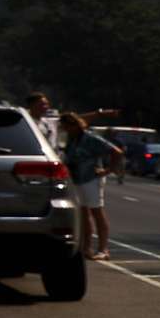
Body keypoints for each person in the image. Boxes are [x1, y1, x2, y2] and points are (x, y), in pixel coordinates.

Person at [58, 111, 124, 261]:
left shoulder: (90, 138)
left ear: (74, 125)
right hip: (77, 179)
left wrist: (108, 170)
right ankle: (86, 247)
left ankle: (103, 249)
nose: (65, 129)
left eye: (67, 126)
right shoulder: (71, 139)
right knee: (83, 213)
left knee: (96, 212)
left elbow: (116, 152)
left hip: (91, 178)